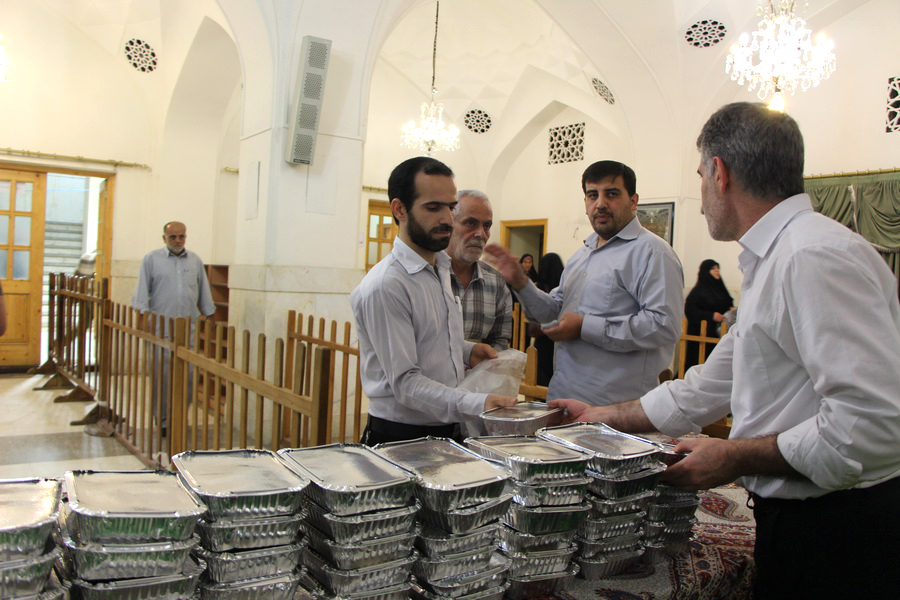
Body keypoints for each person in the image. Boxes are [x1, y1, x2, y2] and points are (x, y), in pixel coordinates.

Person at [550, 102, 900, 600]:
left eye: (698, 176)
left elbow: (869, 424)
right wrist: (602, 416)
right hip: (805, 519)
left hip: (840, 530)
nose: (700, 198)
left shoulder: (812, 256)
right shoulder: (776, 256)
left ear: (720, 172)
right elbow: (711, 385)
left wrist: (733, 457)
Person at [484, 160, 684, 406]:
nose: (600, 203)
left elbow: (664, 326)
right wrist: (520, 282)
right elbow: (553, 312)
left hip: (614, 408)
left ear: (633, 201)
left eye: (611, 194)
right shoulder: (582, 254)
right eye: (592, 195)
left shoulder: (652, 252)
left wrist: (584, 327)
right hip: (564, 396)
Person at [351, 157, 516, 446]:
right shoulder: (387, 284)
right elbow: (405, 384)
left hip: (446, 429)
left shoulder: (439, 268)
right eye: (433, 207)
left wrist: (467, 350)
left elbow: (430, 338)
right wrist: (478, 403)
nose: (446, 219)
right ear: (400, 209)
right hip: (401, 438)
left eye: (450, 207)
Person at [132, 221, 216, 431]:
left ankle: (178, 417)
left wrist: (209, 314)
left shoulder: (195, 260)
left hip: (188, 328)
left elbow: (203, 290)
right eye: (173, 237)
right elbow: (142, 289)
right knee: (161, 377)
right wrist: (141, 317)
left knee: (189, 376)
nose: (177, 241)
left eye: (181, 237)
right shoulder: (151, 259)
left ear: (185, 237)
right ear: (164, 238)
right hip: (161, 328)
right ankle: (162, 420)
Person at [446, 190, 513, 351]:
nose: (480, 234)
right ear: (449, 224)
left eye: (487, 226)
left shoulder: (496, 283)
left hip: (481, 367)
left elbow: (500, 340)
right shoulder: (427, 276)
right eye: (471, 223)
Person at [683, 258, 734, 370]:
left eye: (718, 268)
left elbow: (725, 303)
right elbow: (691, 310)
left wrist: (730, 309)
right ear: (706, 271)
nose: (717, 270)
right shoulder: (698, 292)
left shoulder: (720, 289)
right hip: (703, 334)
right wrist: (711, 316)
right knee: (699, 364)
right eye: (713, 268)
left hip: (719, 334)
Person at [531, 253, 564, 386]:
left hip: (543, 342)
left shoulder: (539, 289)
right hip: (561, 341)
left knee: (541, 381)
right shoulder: (566, 288)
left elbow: (532, 329)